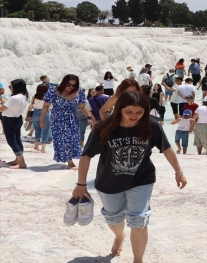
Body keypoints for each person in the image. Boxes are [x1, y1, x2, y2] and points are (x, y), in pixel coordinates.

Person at [73, 90, 187, 263]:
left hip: (141, 179)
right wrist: (81, 184)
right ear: (119, 109)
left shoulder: (151, 125)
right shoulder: (103, 128)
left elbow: (166, 148)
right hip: (109, 182)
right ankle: (119, 236)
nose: (134, 116)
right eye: (129, 112)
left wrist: (179, 172)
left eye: (139, 112)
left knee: (139, 219)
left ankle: (138, 260)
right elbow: (86, 156)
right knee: (113, 218)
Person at [42, 74, 95, 169]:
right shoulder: (53, 90)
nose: (71, 87)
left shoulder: (79, 91)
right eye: (69, 85)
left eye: (74, 85)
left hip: (73, 118)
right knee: (63, 139)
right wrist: (42, 119)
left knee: (74, 139)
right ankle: (70, 162)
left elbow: (83, 106)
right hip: (58, 118)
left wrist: (89, 117)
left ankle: (70, 159)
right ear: (64, 83)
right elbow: (46, 105)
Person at [0, 79, 30, 169]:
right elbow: (9, 106)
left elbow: (1, 109)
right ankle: (18, 159)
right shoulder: (24, 96)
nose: (10, 88)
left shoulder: (13, 98)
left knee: (12, 141)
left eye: (11, 86)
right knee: (17, 140)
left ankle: (22, 163)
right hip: (17, 119)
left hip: (9, 121)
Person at [29, 83, 52, 153]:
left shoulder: (34, 97)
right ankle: (43, 149)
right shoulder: (48, 97)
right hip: (45, 113)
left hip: (35, 113)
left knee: (37, 130)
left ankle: (36, 146)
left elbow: (30, 107)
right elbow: (50, 107)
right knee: (45, 131)